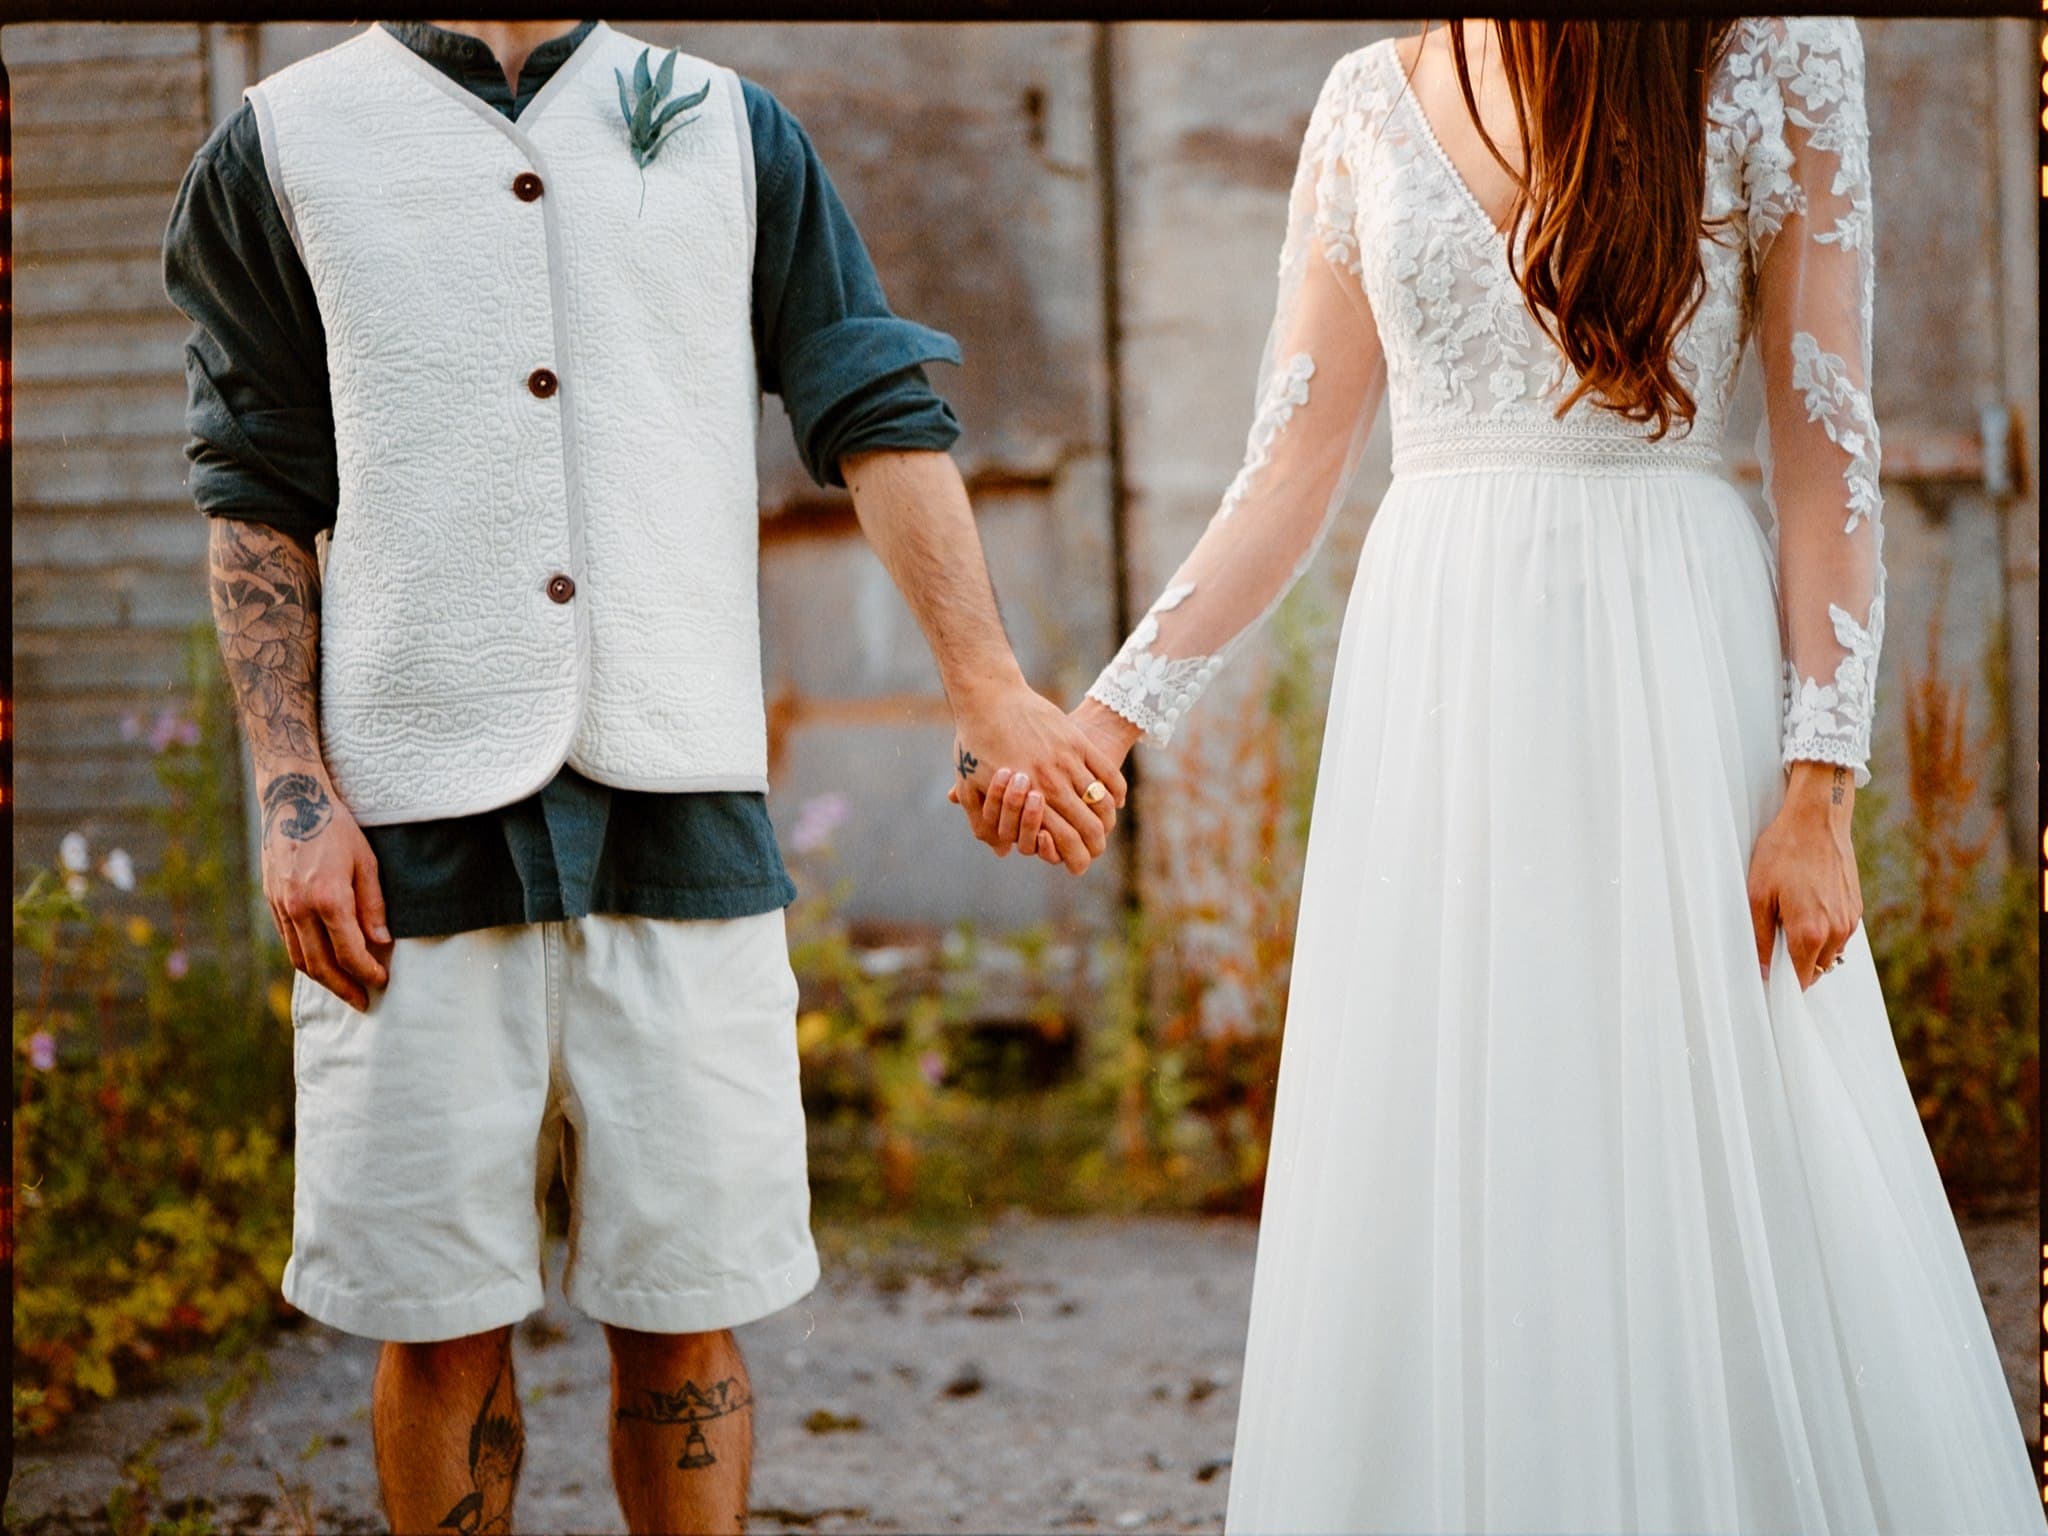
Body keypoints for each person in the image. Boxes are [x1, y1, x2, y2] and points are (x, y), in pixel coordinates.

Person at [963, 17, 2045, 1533]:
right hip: (1439, 675)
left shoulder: (1774, 57)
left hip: (1677, 655)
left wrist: (1820, 784)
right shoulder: (1362, 97)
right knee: (1461, 1122)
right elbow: (1291, 464)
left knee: (1711, 1118)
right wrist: (1106, 719)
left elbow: (1824, 438)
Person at [164, 17, 1122, 1532]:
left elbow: (871, 406)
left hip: (683, 821)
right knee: (437, 1321)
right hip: (406, 839)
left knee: (689, 1305)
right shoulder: (281, 142)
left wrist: (989, 684)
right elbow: (254, 489)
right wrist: (292, 793)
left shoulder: (737, 128)